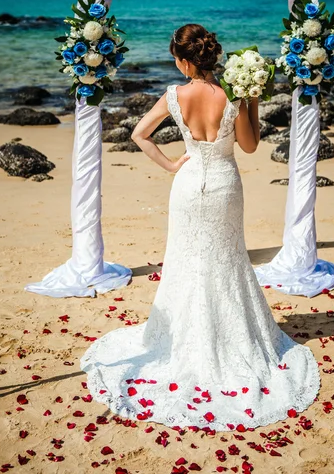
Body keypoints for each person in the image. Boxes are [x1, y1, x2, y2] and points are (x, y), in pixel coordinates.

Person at [80, 24, 320, 431]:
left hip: (189, 186)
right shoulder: (233, 93)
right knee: (227, 259)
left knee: (186, 260)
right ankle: (231, 338)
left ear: (185, 60)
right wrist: (252, 102)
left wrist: (173, 165)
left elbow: (140, 134)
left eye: (176, 56)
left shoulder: (174, 95)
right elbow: (250, 145)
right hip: (226, 185)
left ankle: (184, 337)